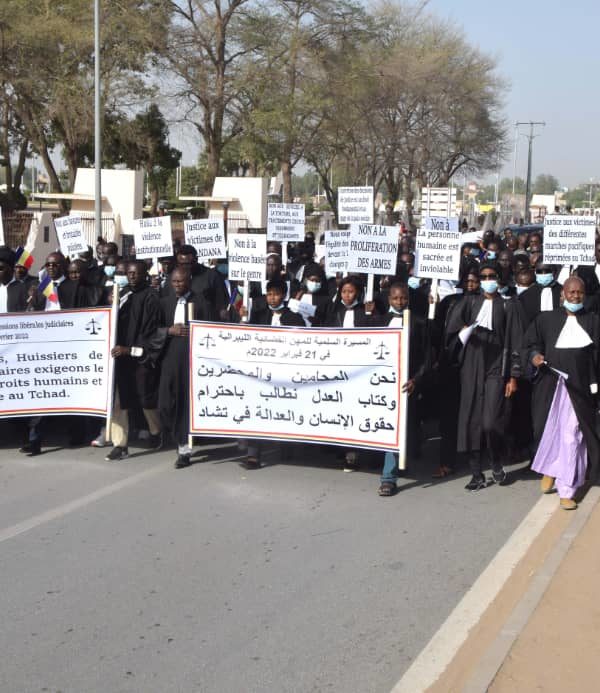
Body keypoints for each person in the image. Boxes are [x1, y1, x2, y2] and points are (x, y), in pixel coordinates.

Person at [525, 276, 600, 510]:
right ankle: (551, 469)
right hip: (550, 386)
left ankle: (567, 488)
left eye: (580, 292)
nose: (576, 296)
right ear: (563, 294)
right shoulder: (546, 319)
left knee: (572, 436)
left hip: (580, 388)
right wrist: (534, 356)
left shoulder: (593, 321)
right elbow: (530, 344)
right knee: (548, 430)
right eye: (571, 292)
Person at [446, 261, 522, 490]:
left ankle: (496, 460)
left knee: (490, 421)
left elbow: (517, 341)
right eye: (484, 276)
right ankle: (476, 473)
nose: (487, 280)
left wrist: (513, 375)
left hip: (497, 366)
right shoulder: (469, 302)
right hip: (472, 365)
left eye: (492, 276)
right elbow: (452, 332)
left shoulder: (509, 306)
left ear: (499, 279)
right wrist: (463, 331)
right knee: (470, 419)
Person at [239, 278, 304, 468]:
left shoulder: (294, 317)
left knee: (284, 409)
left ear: (283, 295)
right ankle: (253, 454)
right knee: (257, 410)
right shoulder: (259, 316)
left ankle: (286, 446)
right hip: (261, 373)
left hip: (285, 374)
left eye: (276, 294)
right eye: (269, 294)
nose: (272, 298)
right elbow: (245, 337)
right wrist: (243, 319)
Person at [373, 282, 431, 496]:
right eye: (396, 298)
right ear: (389, 299)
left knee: (396, 429)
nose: (400, 302)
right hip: (380, 384)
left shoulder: (417, 323)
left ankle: (388, 477)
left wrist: (416, 379)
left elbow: (426, 357)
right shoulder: (379, 321)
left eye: (403, 298)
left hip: (405, 386)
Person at [105, 260, 162, 461]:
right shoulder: (122, 294)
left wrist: (130, 350)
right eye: (128, 273)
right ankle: (120, 445)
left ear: (144, 274)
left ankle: (156, 432)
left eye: (135, 273)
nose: (131, 277)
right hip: (120, 357)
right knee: (120, 401)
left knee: (146, 400)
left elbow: (152, 331)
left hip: (140, 357)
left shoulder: (152, 297)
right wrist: (112, 304)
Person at [157, 268, 212, 469]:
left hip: (190, 359)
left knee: (183, 404)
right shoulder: (165, 302)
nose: (177, 285)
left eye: (181, 281)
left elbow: (209, 328)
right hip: (169, 358)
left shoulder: (201, 302)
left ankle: (184, 449)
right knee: (164, 403)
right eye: (174, 282)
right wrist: (169, 330)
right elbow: (153, 328)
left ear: (189, 281)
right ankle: (175, 435)